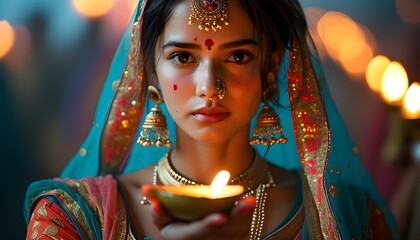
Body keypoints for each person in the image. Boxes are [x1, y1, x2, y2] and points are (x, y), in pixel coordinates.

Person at [24, 0, 399, 239]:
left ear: (269, 72)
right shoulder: (72, 219)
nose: (210, 87)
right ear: (150, 73)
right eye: (183, 58)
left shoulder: (344, 216)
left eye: (238, 57)